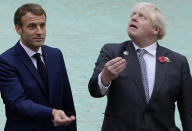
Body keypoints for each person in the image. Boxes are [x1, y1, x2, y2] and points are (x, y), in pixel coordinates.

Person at [88, 2, 192, 131]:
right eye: (133, 15)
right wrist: (105, 77)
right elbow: (94, 91)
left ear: (156, 29)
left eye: (142, 16)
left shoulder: (178, 62)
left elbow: (188, 111)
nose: (134, 18)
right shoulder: (112, 51)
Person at [0, 3, 76, 131]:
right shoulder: (6, 61)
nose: (39, 32)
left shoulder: (55, 54)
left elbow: (67, 101)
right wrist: (51, 113)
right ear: (18, 29)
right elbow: (18, 103)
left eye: (42, 25)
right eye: (32, 26)